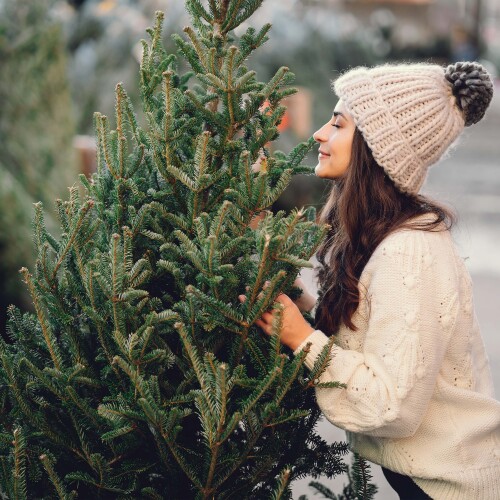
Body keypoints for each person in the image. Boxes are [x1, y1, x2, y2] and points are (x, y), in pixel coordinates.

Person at [238, 61, 500, 499]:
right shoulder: (382, 236)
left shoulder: (409, 253)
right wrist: (291, 300)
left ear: (378, 147)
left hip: (452, 487)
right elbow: (361, 338)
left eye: (338, 125)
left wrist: (302, 339)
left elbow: (390, 403)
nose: (321, 133)